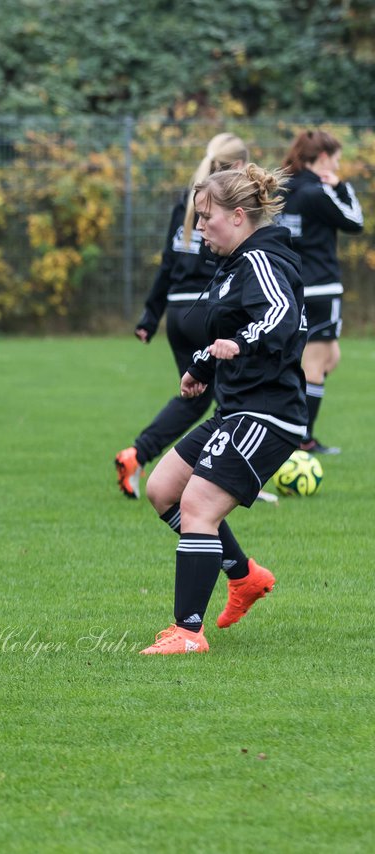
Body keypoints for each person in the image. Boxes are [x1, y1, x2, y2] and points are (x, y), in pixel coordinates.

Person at [139, 163, 306, 655]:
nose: (199, 228)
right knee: (162, 489)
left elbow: (279, 316)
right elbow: (227, 334)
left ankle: (188, 633)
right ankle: (244, 576)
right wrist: (203, 368)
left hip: (266, 413)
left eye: (205, 218)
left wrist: (241, 343)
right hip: (235, 407)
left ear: (237, 216)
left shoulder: (260, 261)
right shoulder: (235, 264)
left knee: (197, 506)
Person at [115, 133, 248, 499]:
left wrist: (149, 316)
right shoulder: (225, 209)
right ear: (237, 167)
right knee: (234, 402)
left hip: (177, 312)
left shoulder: (186, 201)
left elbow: (167, 263)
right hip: (208, 310)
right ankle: (230, 480)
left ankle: (136, 454)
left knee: (195, 395)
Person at [279, 129, 364, 454]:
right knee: (316, 362)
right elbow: (354, 221)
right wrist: (341, 186)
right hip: (321, 286)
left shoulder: (286, 188)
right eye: (337, 160)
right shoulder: (317, 191)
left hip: (291, 286)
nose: (338, 166)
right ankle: (302, 438)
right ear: (324, 158)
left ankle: (297, 432)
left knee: (330, 357)